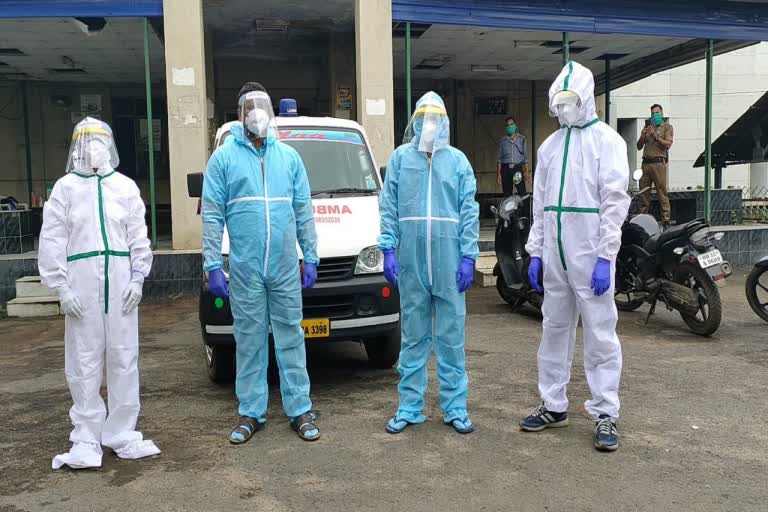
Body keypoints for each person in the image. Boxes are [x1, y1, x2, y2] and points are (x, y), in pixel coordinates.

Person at [520, 61, 630, 452]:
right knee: (553, 330)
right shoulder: (549, 147)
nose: (564, 109)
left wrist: (606, 256)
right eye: (559, 102)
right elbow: (541, 205)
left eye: (570, 101)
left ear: (585, 98)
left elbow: (615, 202)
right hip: (556, 255)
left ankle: (605, 414)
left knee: (600, 334)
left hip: (590, 253)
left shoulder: (608, 142)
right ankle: (553, 404)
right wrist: (536, 251)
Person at [202, 82, 320, 444]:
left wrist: (310, 255)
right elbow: (211, 213)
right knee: (250, 340)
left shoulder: (289, 158)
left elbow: (303, 210)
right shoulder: (223, 159)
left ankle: (299, 408)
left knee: (290, 336)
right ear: (239, 114)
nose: (256, 114)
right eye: (249, 107)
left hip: (284, 266)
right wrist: (211, 264)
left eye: (261, 106)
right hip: (245, 268)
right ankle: (251, 412)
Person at [39, 117, 159, 469]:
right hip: (82, 284)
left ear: (110, 145)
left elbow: (139, 234)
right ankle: (87, 437)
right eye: (86, 140)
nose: (93, 146)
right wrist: (60, 287)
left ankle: (121, 432)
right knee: (84, 361)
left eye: (99, 139)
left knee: (124, 358)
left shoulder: (124, 187)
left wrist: (138, 277)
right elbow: (52, 239)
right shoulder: (65, 188)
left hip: (120, 284)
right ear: (76, 148)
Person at [379, 91, 480, 435]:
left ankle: (455, 407)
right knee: (413, 337)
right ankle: (409, 406)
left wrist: (469, 256)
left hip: (450, 264)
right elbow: (388, 208)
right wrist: (388, 249)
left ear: (446, 123)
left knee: (451, 338)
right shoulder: (400, 160)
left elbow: (469, 211)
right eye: (424, 119)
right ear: (414, 121)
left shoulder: (458, 162)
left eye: (436, 119)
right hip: (411, 265)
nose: (429, 126)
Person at [637, 104, 674, 228]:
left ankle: (666, 221)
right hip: (646, 163)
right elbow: (638, 146)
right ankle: (642, 220)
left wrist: (655, 136)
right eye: (653, 113)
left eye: (657, 113)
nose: (655, 115)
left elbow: (668, 144)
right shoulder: (647, 127)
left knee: (661, 192)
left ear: (662, 114)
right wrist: (643, 136)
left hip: (658, 163)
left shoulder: (667, 127)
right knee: (643, 193)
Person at [496, 116, 530, 196]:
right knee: (507, 194)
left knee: (522, 193)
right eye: (508, 125)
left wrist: (526, 172)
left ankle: (523, 208)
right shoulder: (503, 141)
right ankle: (509, 208)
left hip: (517, 169)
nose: (510, 126)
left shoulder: (522, 139)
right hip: (506, 169)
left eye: (511, 124)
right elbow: (499, 160)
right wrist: (498, 175)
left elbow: (526, 158)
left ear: (515, 126)